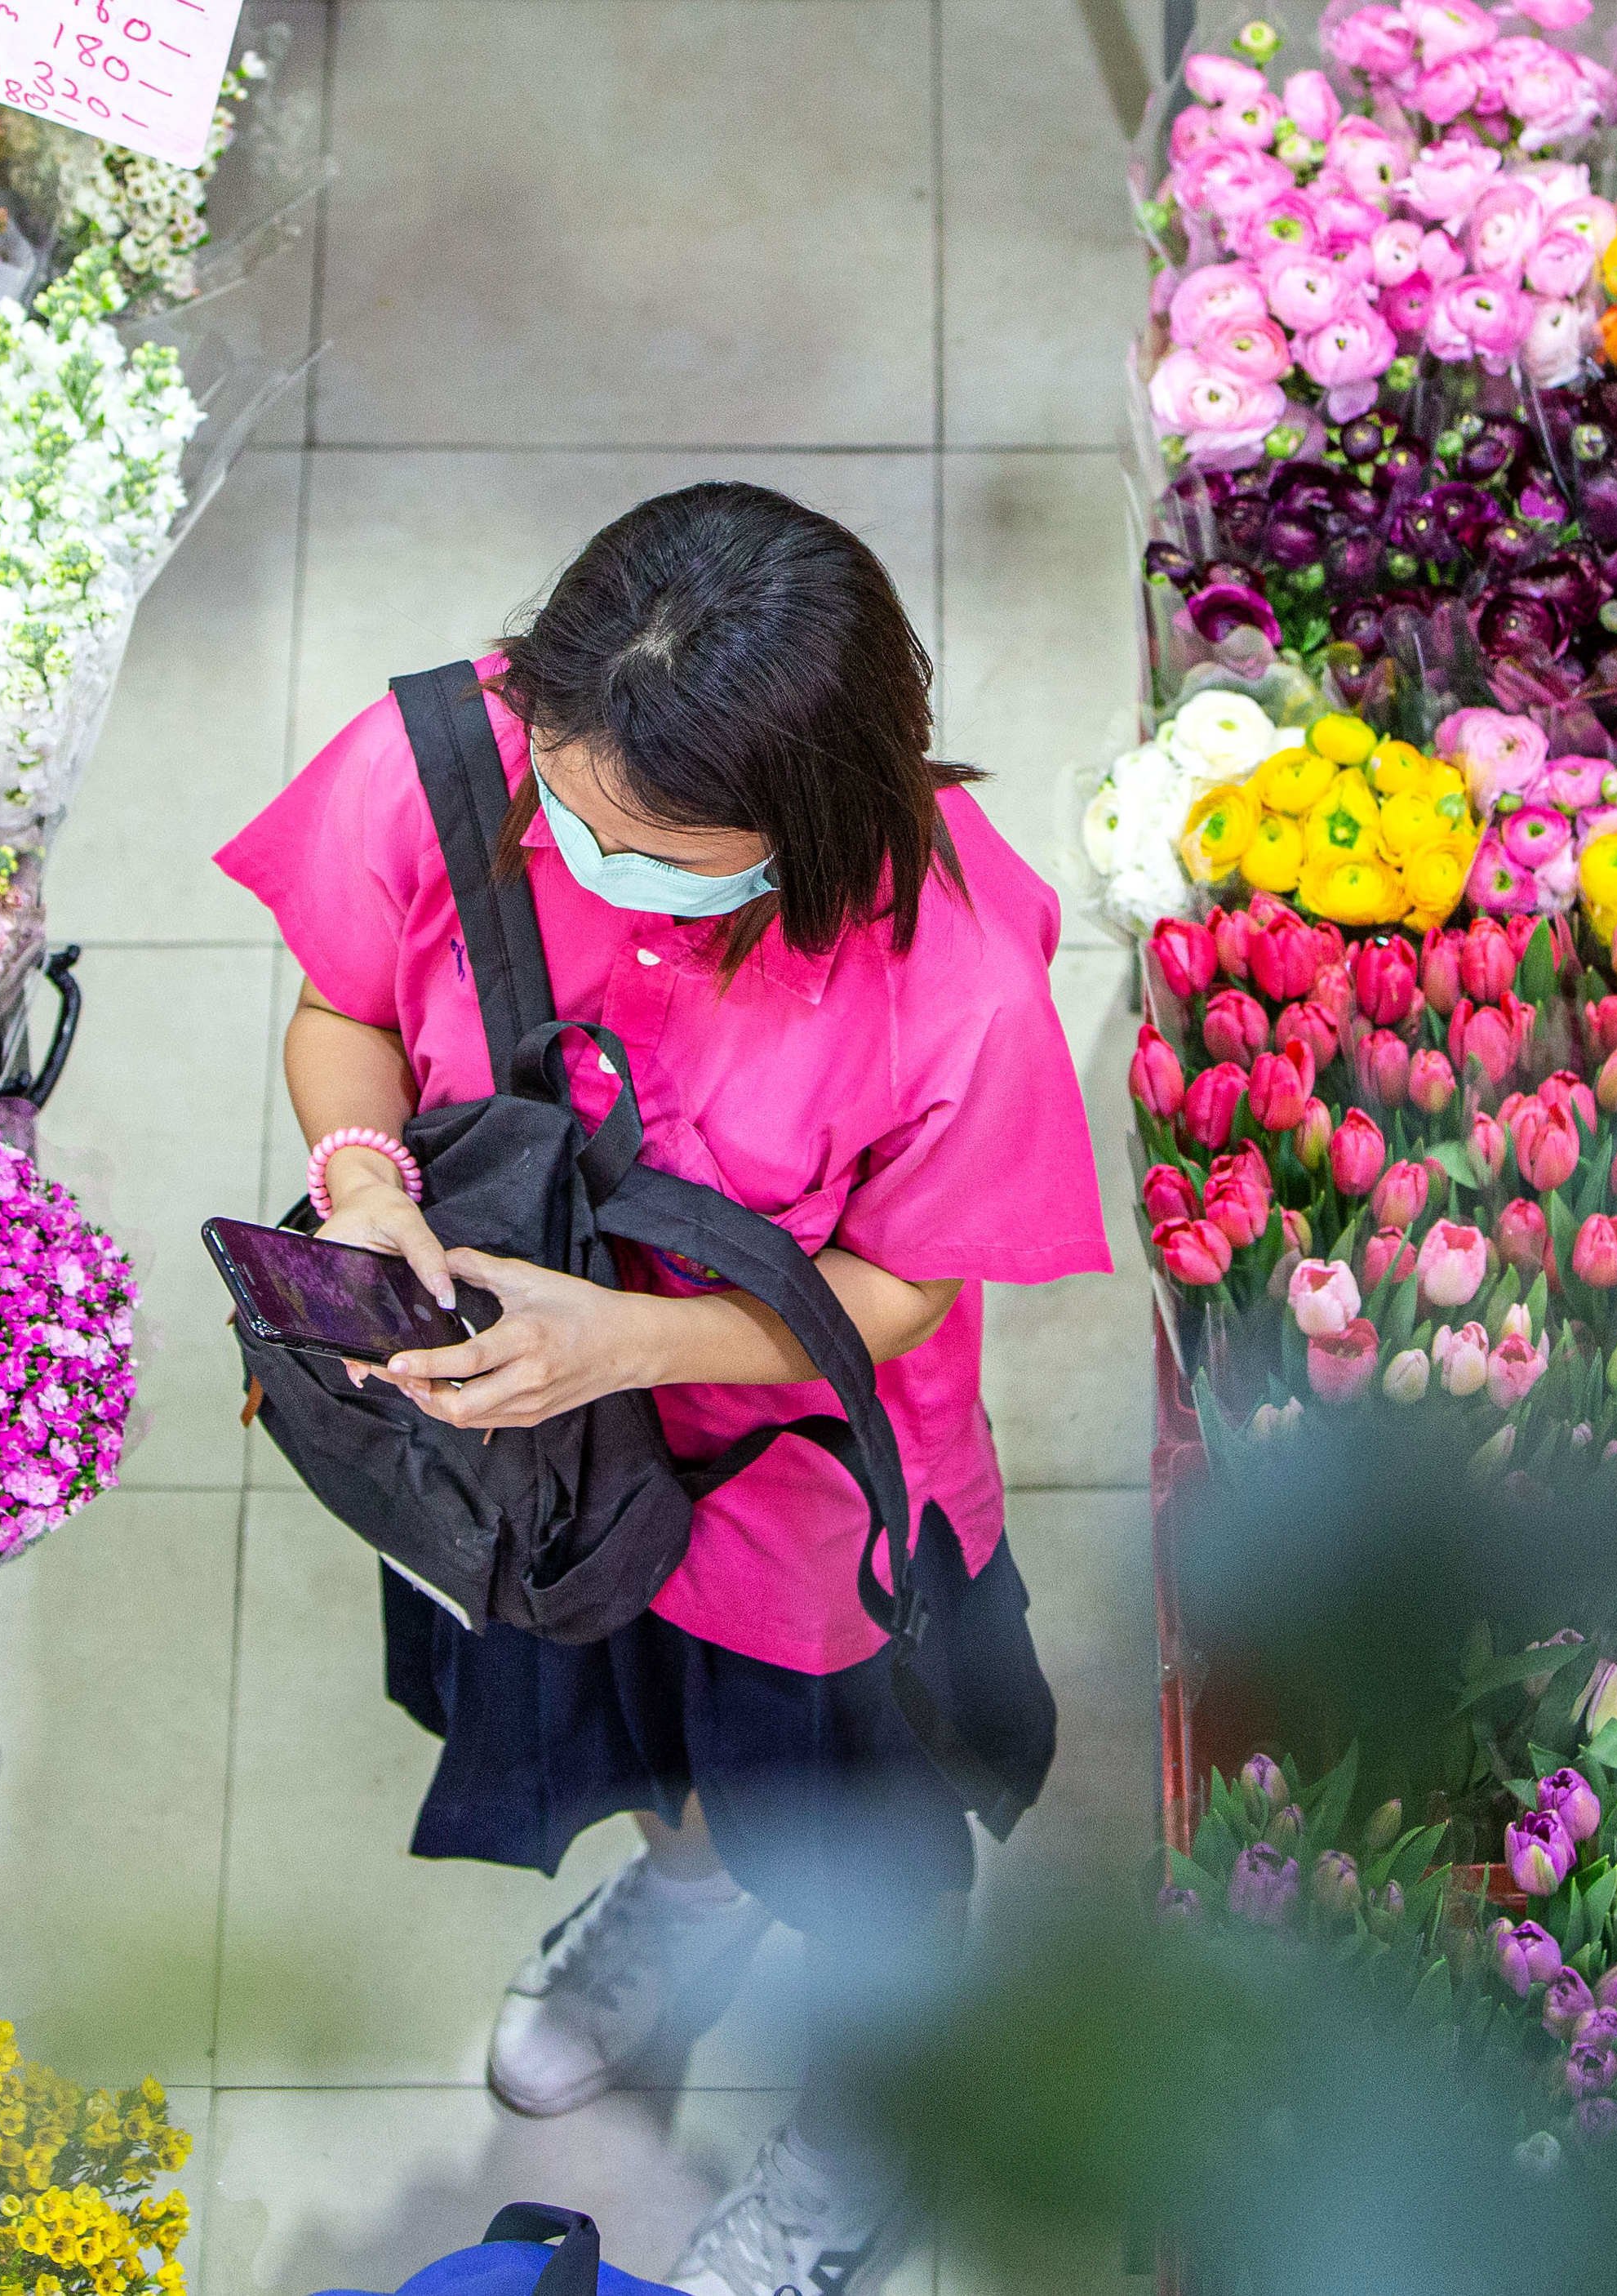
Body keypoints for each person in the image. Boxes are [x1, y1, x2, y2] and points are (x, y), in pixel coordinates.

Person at [215, 483, 1108, 2296]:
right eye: (563, 801)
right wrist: (364, 1173)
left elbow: (906, 1282)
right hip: (539, 1469)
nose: (578, 855)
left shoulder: (948, 985)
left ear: (810, 822)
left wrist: (628, 1336)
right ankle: (680, 1896)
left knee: (849, 1828)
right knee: (619, 1715)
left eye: (653, 847)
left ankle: (871, 2106)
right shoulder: (451, 759)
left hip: (795, 1497)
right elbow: (337, 1012)